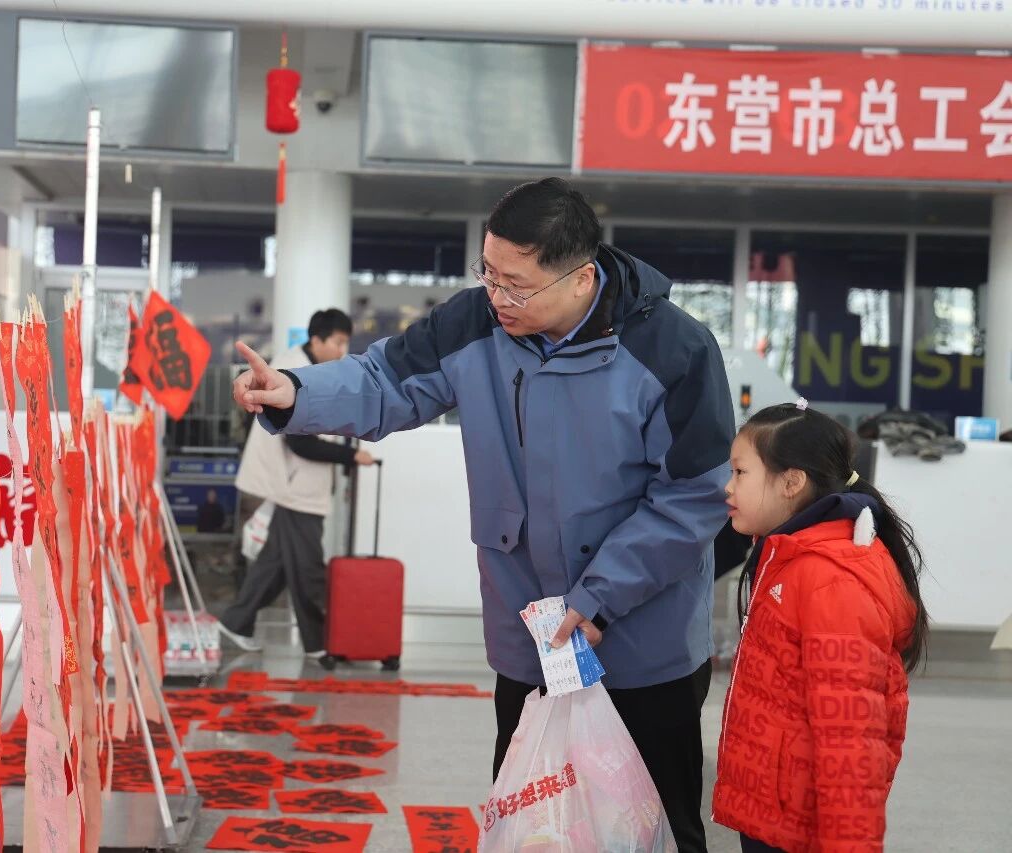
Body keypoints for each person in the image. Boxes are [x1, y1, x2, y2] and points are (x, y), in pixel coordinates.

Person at [232, 178, 733, 852]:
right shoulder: (476, 323)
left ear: (582, 279)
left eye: (516, 285)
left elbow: (693, 495)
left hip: (644, 643)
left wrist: (600, 596)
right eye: (488, 274)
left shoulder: (674, 350)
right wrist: (296, 393)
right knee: (531, 822)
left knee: (654, 826)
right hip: (533, 637)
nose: (497, 296)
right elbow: (385, 380)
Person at [713, 401, 927, 853]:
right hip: (775, 812)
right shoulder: (789, 554)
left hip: (801, 827)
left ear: (791, 482)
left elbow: (851, 741)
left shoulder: (829, 581)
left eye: (740, 473)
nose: (727, 487)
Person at [219, 308, 378, 659]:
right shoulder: (293, 372)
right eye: (338, 342)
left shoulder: (310, 368)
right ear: (317, 340)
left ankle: (237, 621)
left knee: (277, 564)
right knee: (307, 567)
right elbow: (301, 443)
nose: (342, 351)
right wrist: (352, 457)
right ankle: (317, 643)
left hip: (292, 484)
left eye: (346, 343)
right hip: (291, 486)